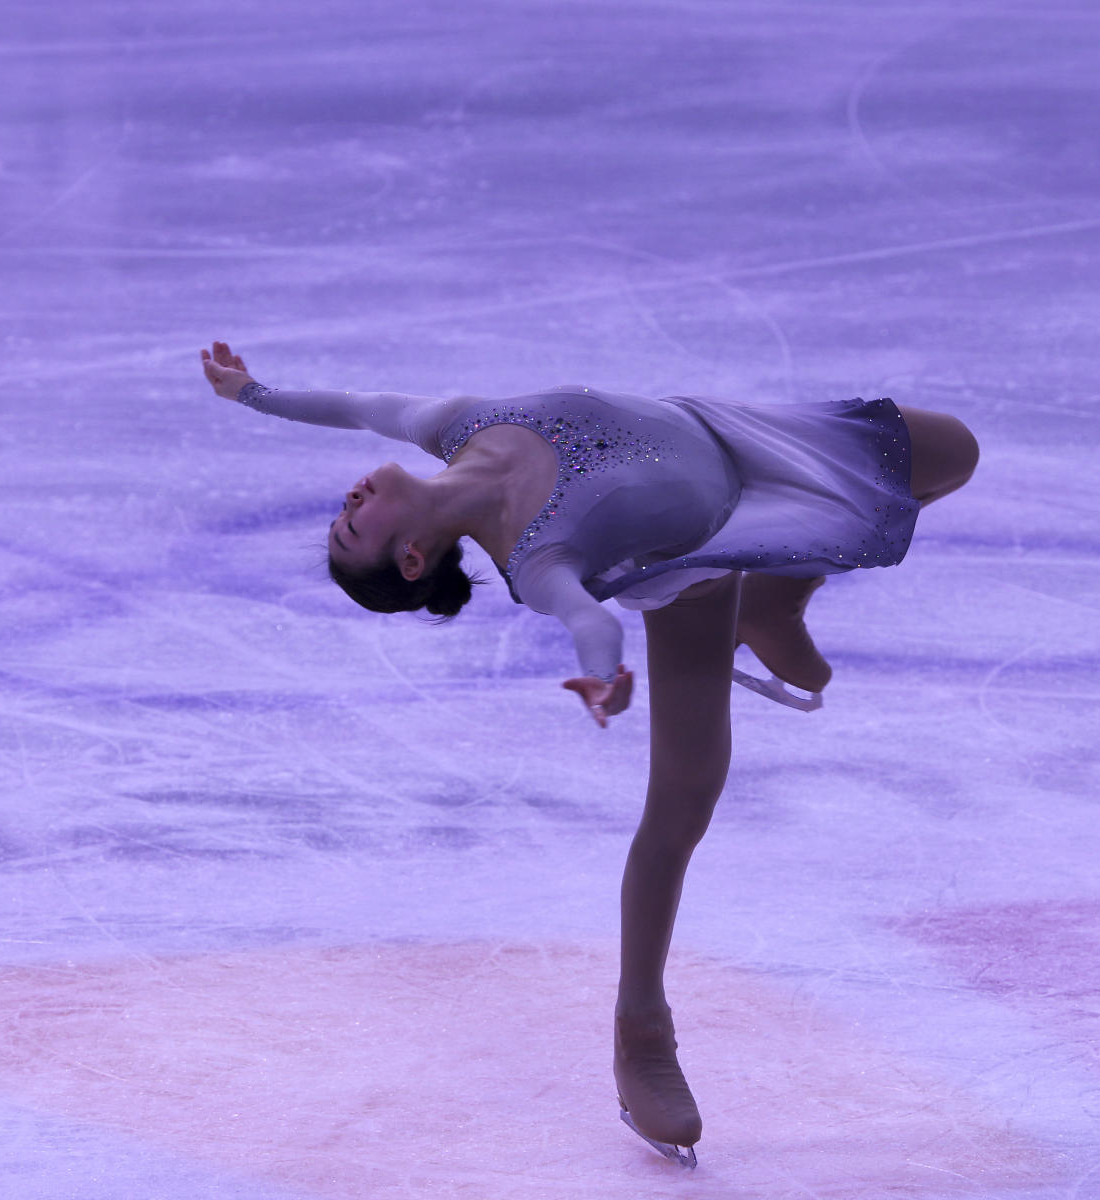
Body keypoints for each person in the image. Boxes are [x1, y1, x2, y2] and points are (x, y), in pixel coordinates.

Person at [198, 341, 979, 1166]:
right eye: (354, 524)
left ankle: (781, 594)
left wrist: (252, 393)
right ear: (414, 558)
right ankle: (641, 1027)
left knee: (950, 452)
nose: (350, 497)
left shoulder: (456, 425)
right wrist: (603, 678)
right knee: (682, 809)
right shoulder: (534, 558)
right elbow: (591, 621)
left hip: (732, 438)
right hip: (694, 570)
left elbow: (356, 403)